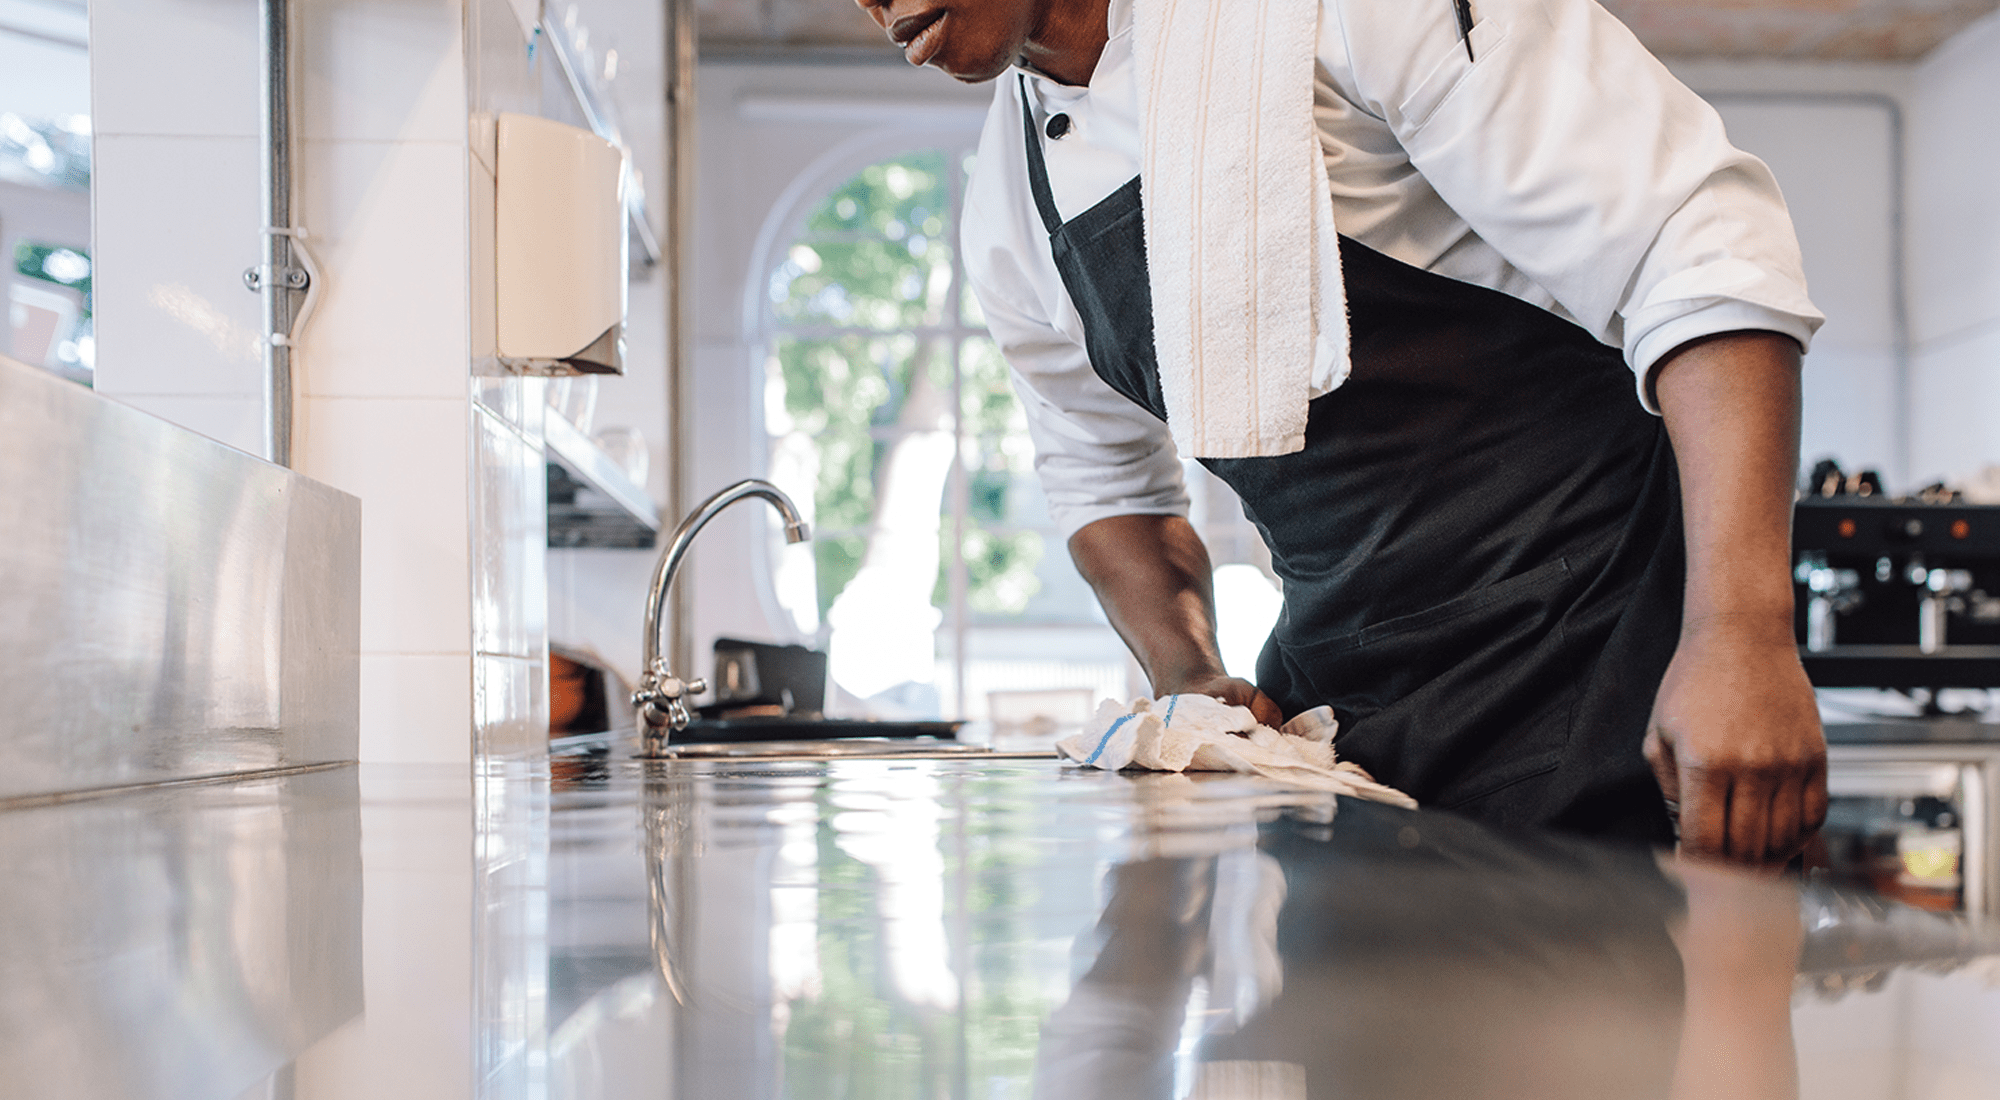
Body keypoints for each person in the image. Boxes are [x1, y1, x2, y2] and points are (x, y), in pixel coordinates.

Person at [851, 0, 1829, 863]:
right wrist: (1191, 675)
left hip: (1601, 654)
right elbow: (1106, 487)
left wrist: (1738, 631)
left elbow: (1697, 251)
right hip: (1342, 713)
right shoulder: (1005, 206)